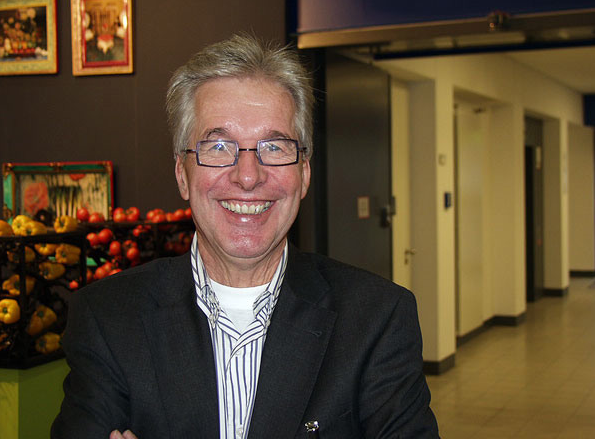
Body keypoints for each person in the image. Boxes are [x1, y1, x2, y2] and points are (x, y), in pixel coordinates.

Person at [51, 34, 439, 439]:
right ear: (182, 174)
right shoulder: (109, 318)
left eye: (274, 147)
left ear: (304, 174)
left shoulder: (377, 318)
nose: (249, 176)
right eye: (219, 146)